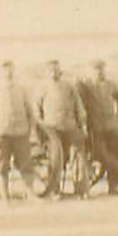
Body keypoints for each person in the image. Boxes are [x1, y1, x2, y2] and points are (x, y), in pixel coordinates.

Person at [0, 60, 39, 202]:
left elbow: (29, 110)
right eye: (5, 69)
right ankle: (4, 196)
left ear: (14, 70)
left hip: (21, 132)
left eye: (10, 69)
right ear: (0, 72)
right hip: (2, 133)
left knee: (25, 164)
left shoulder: (21, 88)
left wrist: (31, 129)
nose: (8, 72)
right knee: (2, 165)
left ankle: (30, 194)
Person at [36, 59, 87, 200]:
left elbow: (79, 106)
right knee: (55, 159)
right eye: (51, 70)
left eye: (56, 70)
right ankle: (55, 190)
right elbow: (36, 110)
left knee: (78, 156)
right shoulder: (42, 88)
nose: (54, 73)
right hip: (52, 129)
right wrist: (42, 128)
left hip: (70, 126)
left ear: (60, 71)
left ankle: (80, 190)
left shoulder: (69, 86)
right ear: (46, 72)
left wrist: (82, 124)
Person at [85, 59, 118, 194]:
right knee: (102, 154)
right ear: (90, 71)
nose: (99, 72)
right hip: (96, 126)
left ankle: (114, 185)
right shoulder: (87, 85)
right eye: (96, 69)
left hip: (111, 124)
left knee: (116, 153)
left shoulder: (111, 85)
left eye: (101, 69)